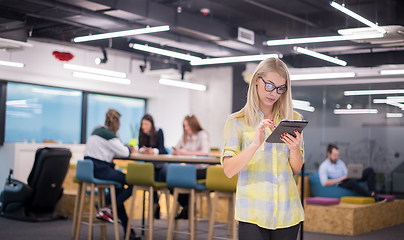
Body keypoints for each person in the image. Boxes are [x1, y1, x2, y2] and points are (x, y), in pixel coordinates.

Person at [221, 58, 304, 240]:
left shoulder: (292, 119)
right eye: (269, 85)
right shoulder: (237, 122)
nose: (274, 93)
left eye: (280, 88)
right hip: (253, 211)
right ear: (257, 80)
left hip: (287, 211)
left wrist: (295, 149)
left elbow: (296, 170)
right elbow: (228, 170)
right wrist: (254, 145)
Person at [83, 109, 140, 240]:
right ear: (116, 122)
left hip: (91, 170)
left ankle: (128, 233)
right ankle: (108, 207)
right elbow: (125, 153)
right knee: (134, 182)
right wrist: (128, 148)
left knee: (119, 190)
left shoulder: (96, 131)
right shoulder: (109, 135)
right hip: (101, 170)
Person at [170, 114, 210, 219]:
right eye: (184, 126)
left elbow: (205, 152)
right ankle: (188, 207)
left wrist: (185, 152)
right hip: (189, 170)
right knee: (171, 180)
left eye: (187, 126)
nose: (186, 128)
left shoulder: (202, 134)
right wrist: (176, 151)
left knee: (178, 179)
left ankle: (188, 209)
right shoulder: (185, 136)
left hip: (201, 170)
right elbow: (176, 148)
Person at [318, 144, 386, 202]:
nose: (337, 157)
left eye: (338, 155)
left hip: (347, 179)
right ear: (328, 154)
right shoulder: (324, 166)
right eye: (335, 155)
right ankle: (371, 195)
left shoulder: (340, 162)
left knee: (369, 170)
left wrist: (351, 175)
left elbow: (346, 173)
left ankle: (373, 193)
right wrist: (339, 179)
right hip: (340, 183)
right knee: (352, 182)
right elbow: (324, 183)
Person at [138, 114, 168, 219]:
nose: (144, 126)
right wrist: (143, 150)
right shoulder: (142, 133)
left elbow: (162, 150)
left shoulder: (159, 132)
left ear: (151, 124)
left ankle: (155, 204)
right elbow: (139, 147)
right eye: (142, 124)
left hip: (159, 165)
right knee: (151, 175)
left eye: (146, 124)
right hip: (149, 167)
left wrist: (153, 151)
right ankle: (155, 204)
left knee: (157, 176)